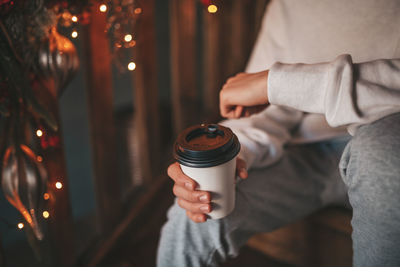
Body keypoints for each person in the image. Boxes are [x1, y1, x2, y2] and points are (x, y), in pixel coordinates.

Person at [157, 0, 400, 266]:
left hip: (385, 153)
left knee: (380, 153)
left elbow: (272, 87)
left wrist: (276, 83)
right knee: (196, 212)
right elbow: (264, 110)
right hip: (305, 154)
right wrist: (236, 155)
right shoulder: (291, 6)